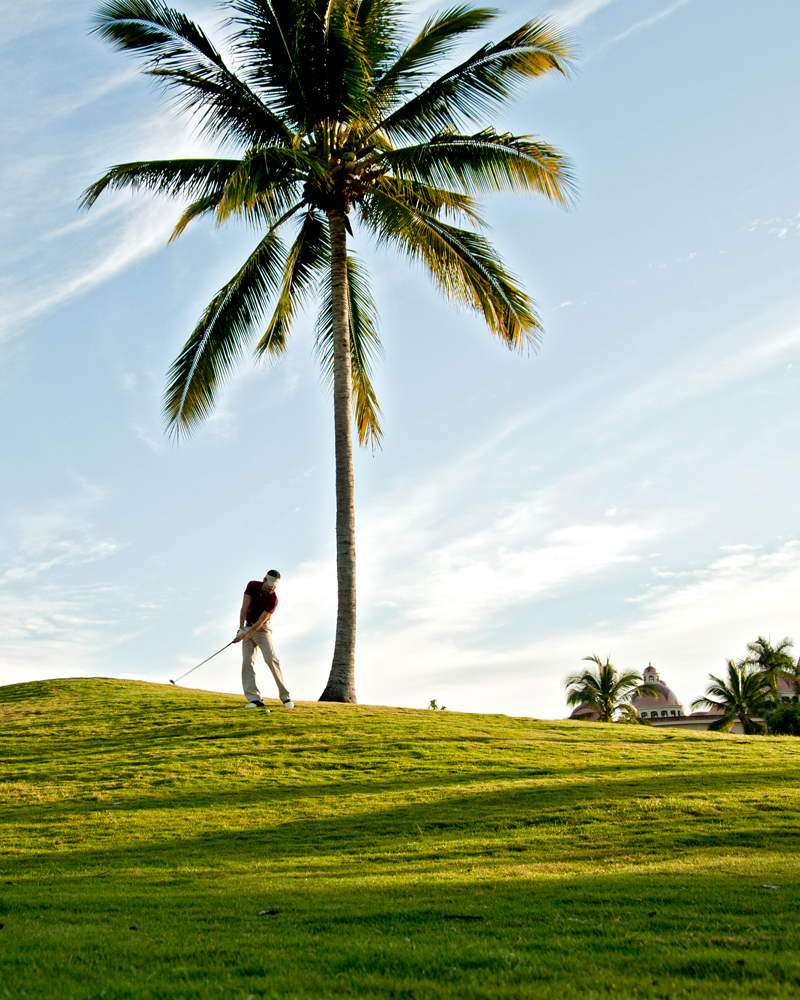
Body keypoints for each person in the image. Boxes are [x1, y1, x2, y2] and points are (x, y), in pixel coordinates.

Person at [233, 570, 294, 709]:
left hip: (262, 630)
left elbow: (260, 622)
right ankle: (255, 700)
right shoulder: (252, 585)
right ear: (264, 580)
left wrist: (244, 635)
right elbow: (244, 608)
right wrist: (241, 629)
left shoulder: (273, 599)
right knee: (247, 662)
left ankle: (286, 697)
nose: (271, 588)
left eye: (274, 586)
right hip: (247, 627)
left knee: (271, 660)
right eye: (270, 584)